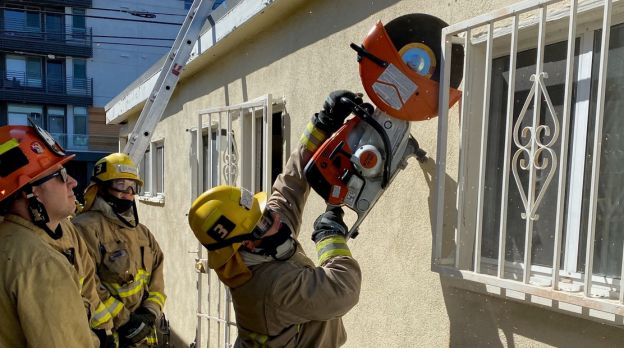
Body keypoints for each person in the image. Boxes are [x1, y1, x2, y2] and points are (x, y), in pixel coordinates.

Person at [188, 91, 363, 347]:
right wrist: (330, 238)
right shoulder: (271, 289)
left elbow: (290, 184)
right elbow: (343, 290)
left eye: (265, 213)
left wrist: (322, 124)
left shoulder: (263, 239)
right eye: (264, 222)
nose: (276, 220)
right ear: (246, 245)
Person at [0, 124, 102, 347]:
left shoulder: (9, 240)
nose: (73, 182)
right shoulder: (41, 265)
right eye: (60, 175)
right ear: (30, 192)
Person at [73, 152, 166, 347]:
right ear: (101, 189)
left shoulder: (141, 232)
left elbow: (157, 274)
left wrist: (150, 312)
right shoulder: (84, 228)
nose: (129, 193)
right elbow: (87, 285)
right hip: (110, 337)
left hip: (144, 337)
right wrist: (125, 321)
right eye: (122, 186)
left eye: (133, 187)